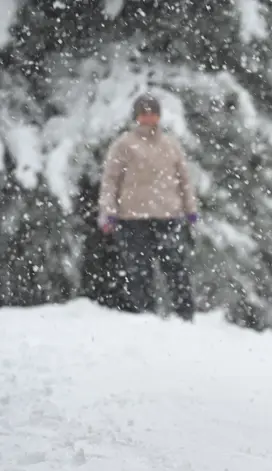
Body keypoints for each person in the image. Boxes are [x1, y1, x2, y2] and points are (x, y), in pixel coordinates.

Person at [98, 93, 199, 321]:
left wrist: (190, 208)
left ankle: (185, 316)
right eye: (144, 114)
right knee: (138, 271)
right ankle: (144, 317)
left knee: (176, 268)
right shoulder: (123, 145)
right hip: (132, 218)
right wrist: (108, 212)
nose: (149, 118)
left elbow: (184, 179)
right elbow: (110, 180)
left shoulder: (171, 145)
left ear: (159, 117)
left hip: (168, 215)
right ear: (136, 117)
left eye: (153, 114)